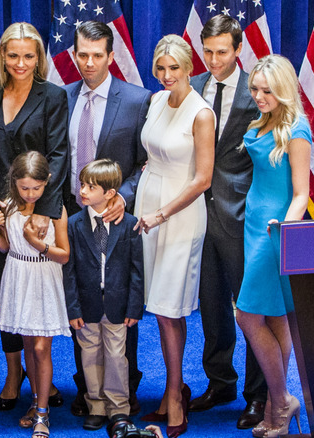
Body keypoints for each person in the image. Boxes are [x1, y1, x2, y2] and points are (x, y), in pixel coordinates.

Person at [0, 21, 68, 418]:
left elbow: (60, 154)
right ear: (2, 57)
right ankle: (15, 373)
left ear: (39, 58)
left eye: (28, 56)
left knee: (38, 299)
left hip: (38, 212)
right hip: (0, 214)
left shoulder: (54, 96)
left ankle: (41, 380)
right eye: (12, 55)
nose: (20, 63)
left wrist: (45, 212)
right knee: (8, 297)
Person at [62, 20, 152, 419]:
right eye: (82, 54)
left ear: (111, 57)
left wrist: (123, 198)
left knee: (116, 305)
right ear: (73, 54)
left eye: (97, 55)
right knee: (79, 307)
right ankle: (87, 390)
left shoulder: (136, 100)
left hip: (115, 220)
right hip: (71, 220)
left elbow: (146, 162)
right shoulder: (61, 97)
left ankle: (123, 395)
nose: (89, 63)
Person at [187, 14, 267, 429]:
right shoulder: (193, 85)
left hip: (243, 217)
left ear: (239, 50)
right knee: (211, 305)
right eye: (208, 51)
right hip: (197, 215)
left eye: (223, 52)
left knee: (250, 308)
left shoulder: (259, 92)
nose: (214, 60)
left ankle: (258, 394)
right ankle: (220, 383)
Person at [133, 34, 215, 438]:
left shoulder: (202, 114)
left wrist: (162, 212)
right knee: (157, 305)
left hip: (179, 214)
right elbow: (148, 159)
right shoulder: (155, 101)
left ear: (189, 68)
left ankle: (175, 396)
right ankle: (172, 386)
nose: (166, 76)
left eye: (174, 69)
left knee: (170, 307)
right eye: (160, 68)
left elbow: (202, 179)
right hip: (147, 205)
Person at [235, 54, 311, 438]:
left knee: (247, 316)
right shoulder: (260, 123)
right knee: (276, 316)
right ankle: (281, 401)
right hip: (252, 224)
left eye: (267, 90)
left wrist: (287, 230)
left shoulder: (297, 129)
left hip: (276, 230)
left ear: (283, 89)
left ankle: (278, 401)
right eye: (255, 89)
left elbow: (301, 193)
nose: (259, 96)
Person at [0, 151, 71, 438]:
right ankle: (36, 403)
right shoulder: (9, 206)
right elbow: (5, 247)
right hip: (17, 277)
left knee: (40, 349)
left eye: (37, 187)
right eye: (25, 188)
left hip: (44, 277)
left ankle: (43, 415)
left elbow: (64, 255)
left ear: (47, 181)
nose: (31, 193)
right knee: (28, 348)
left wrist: (37, 243)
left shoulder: (55, 208)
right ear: (14, 183)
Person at [64, 159, 144, 431]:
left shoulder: (129, 224)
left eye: (91, 187)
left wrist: (134, 307)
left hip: (117, 306)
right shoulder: (74, 224)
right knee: (89, 355)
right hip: (86, 305)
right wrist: (72, 309)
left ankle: (119, 407)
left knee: (116, 356)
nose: (83, 191)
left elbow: (136, 270)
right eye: (82, 185)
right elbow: (70, 271)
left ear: (110, 193)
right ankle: (96, 405)